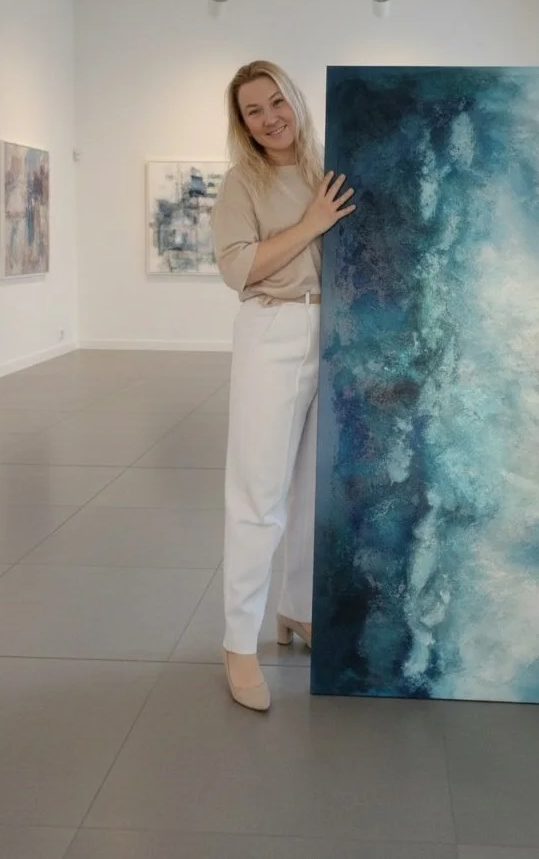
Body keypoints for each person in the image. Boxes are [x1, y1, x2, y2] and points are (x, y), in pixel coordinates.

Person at [211, 61, 355, 711]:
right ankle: (239, 643)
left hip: (335, 329)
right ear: (241, 124)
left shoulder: (331, 164)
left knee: (313, 490)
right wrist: (313, 223)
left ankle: (298, 611)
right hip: (271, 331)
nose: (270, 117)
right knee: (257, 494)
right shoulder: (242, 182)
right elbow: (240, 267)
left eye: (276, 101)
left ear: (295, 99)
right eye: (253, 111)